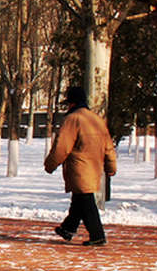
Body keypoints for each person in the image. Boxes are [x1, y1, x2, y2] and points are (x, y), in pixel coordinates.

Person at [43, 86, 117, 246]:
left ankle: (98, 235)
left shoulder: (73, 119)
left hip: (79, 167)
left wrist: (50, 164)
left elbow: (62, 147)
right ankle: (68, 228)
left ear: (71, 102)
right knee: (79, 198)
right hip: (94, 167)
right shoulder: (96, 119)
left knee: (85, 200)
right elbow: (108, 146)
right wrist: (111, 166)